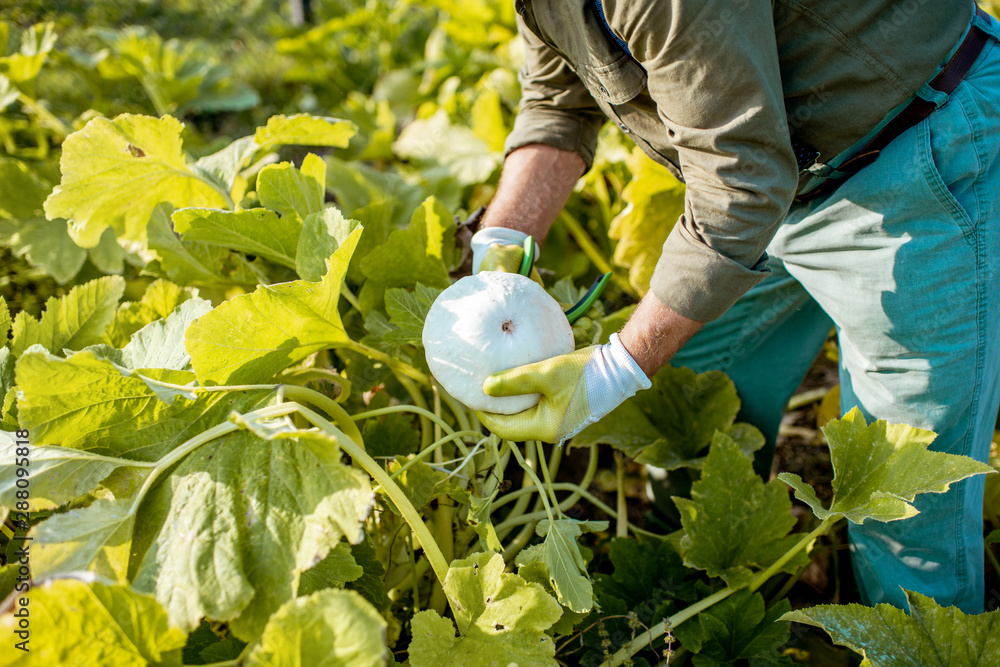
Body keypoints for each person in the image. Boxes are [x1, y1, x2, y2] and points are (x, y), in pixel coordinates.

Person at [469, 0, 1000, 615]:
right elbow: (556, 102)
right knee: (699, 386)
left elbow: (741, 185)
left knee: (903, 498)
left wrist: (611, 372)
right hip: (776, 186)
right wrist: (501, 242)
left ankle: (913, 642)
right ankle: (703, 589)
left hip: (914, 160)